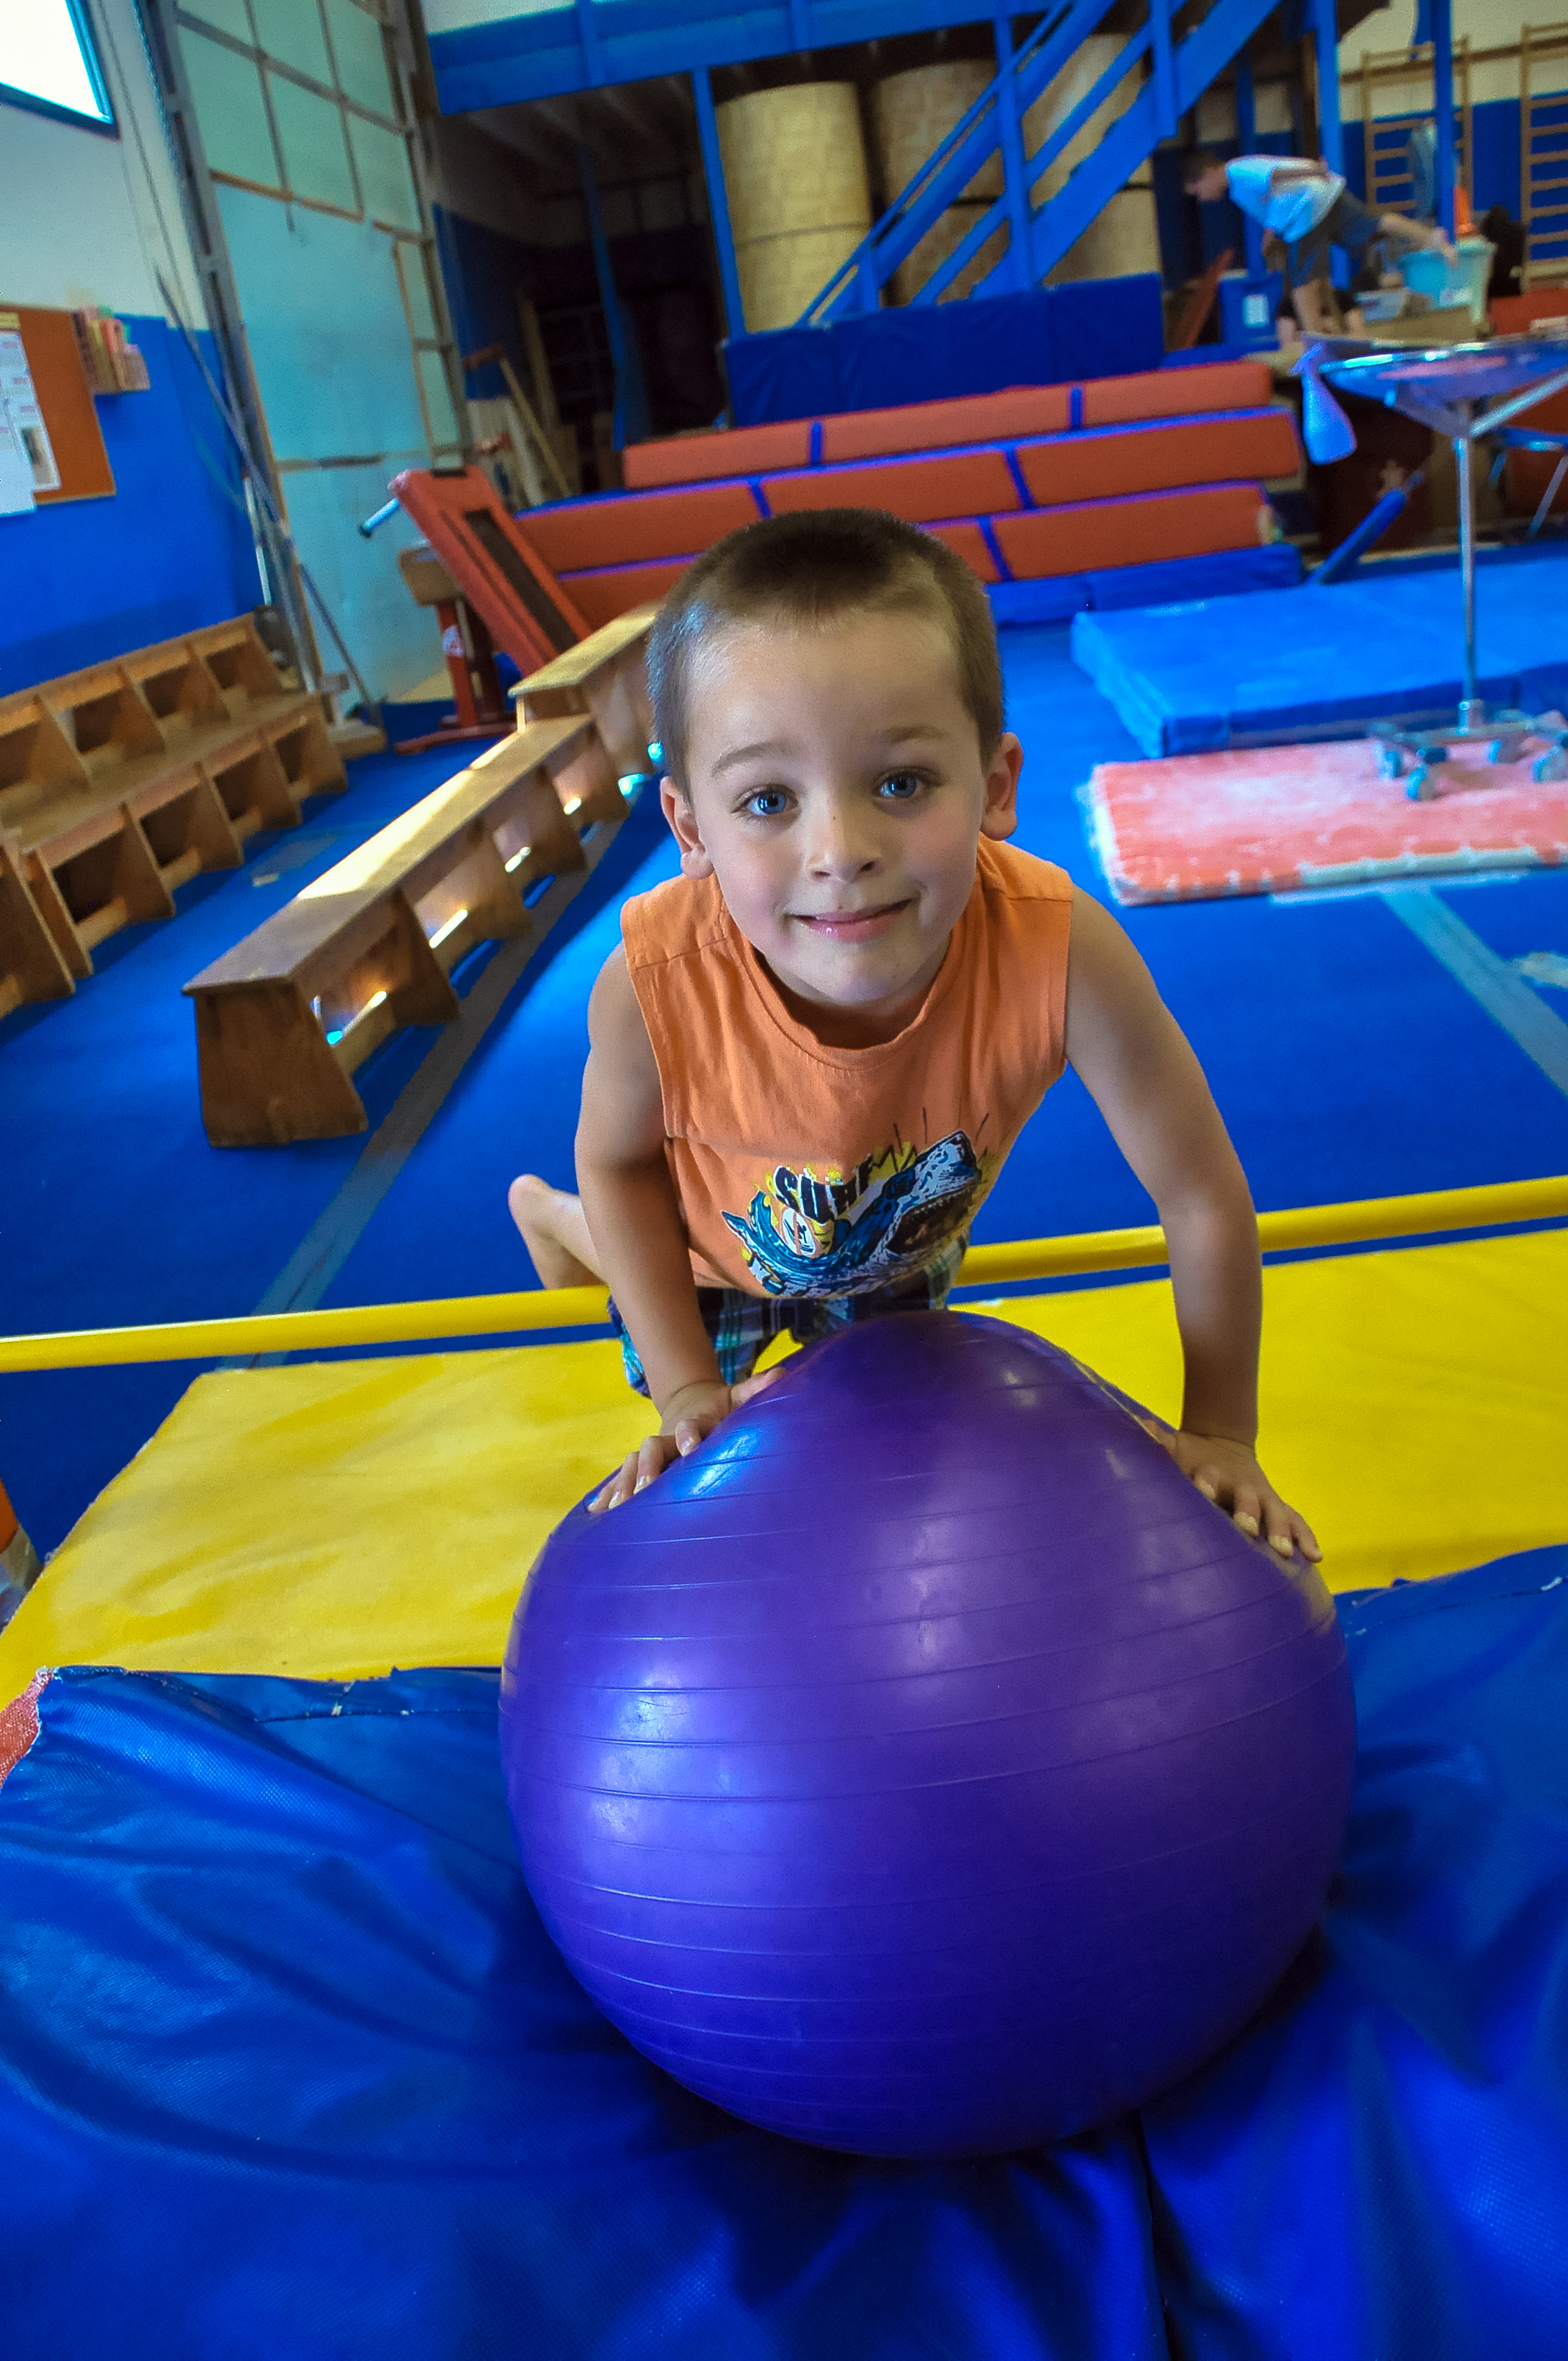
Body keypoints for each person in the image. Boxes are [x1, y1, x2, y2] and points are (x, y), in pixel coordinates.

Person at [509, 507, 1318, 1558]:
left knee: (896, 1441)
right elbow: (621, 1165)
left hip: (890, 1241)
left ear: (995, 787)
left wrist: (1220, 1431)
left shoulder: (1062, 952)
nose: (840, 851)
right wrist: (686, 1390)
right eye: (766, 800)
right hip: (708, 1250)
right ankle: (545, 1215)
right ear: (689, 829)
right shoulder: (650, 985)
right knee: (664, 1314)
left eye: (901, 782)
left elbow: (1200, 1190)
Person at [1183, 148, 1456, 336]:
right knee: (1373, 223)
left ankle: (1314, 338)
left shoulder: (1236, 171)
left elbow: (1276, 175)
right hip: (1325, 194)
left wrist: (1312, 172)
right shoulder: (1236, 186)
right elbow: (1273, 195)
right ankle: (1431, 237)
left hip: (1307, 207)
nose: (1202, 199)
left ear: (1207, 173)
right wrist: (1270, 233)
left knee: (1301, 279)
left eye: (1198, 192)